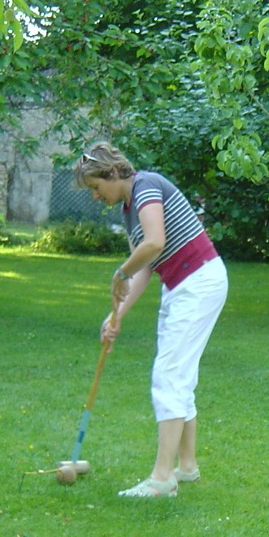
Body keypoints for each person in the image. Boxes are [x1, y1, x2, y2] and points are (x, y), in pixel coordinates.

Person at [72, 142, 228, 498]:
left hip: (198, 281)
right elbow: (144, 268)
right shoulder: (129, 210)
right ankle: (186, 467)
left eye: (96, 186)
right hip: (180, 285)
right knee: (179, 375)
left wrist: (120, 272)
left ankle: (162, 479)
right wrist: (115, 317)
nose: (96, 195)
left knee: (169, 375)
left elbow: (155, 242)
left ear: (113, 173)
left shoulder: (146, 186)